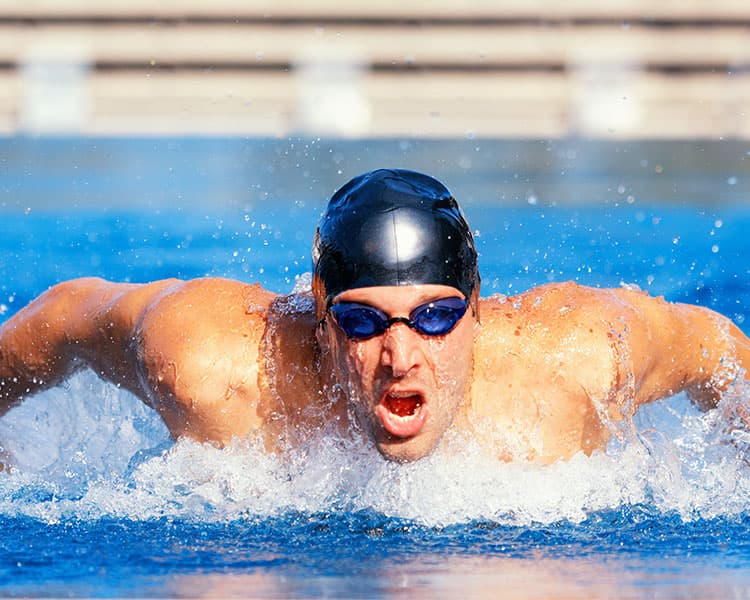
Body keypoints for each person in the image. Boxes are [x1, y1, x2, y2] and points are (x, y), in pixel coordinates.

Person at [0, 168, 748, 465]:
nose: (401, 355)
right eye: (362, 322)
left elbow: (720, 349)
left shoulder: (580, 358)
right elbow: (60, 317)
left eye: (434, 317)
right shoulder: (214, 365)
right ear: (320, 313)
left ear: (477, 308)